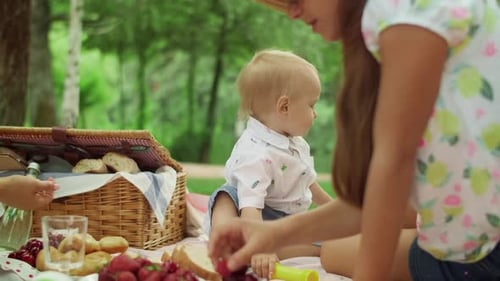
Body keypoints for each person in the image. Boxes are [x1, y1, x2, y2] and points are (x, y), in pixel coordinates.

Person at [208, 1, 500, 281]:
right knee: (337, 246)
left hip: (483, 253)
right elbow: (377, 198)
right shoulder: (395, 22)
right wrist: (274, 234)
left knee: (337, 249)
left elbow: (395, 165)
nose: (293, 12)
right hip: (474, 236)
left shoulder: (403, 12)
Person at [206, 49, 332, 278]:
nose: (315, 114)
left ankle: (277, 248)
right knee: (226, 196)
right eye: (311, 105)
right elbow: (250, 207)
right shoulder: (256, 153)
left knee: (331, 237)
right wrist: (259, 244)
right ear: (284, 107)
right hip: (248, 218)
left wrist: (333, 210)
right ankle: (225, 241)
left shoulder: (295, 143)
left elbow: (309, 183)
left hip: (284, 222)